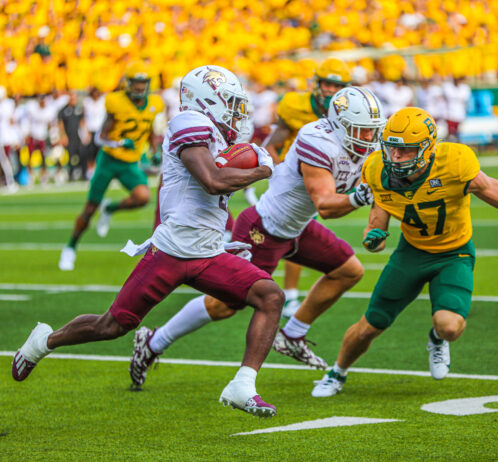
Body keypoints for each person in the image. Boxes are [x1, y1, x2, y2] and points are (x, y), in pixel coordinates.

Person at [12, 64, 282, 418]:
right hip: (171, 251)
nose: (236, 112)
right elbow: (212, 181)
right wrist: (261, 169)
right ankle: (43, 342)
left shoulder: (217, 135)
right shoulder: (189, 123)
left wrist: (255, 161)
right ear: (206, 101)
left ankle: (242, 385)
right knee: (112, 325)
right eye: (229, 103)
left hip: (209, 252)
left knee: (270, 297)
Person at [129, 86, 387, 387]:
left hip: (298, 227)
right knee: (224, 304)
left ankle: (292, 334)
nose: (368, 139)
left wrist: (376, 224)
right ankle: (153, 342)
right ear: (339, 124)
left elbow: (376, 193)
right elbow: (326, 205)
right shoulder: (318, 140)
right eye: (361, 130)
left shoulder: (368, 148)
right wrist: (359, 198)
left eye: (372, 131)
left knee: (348, 271)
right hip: (263, 228)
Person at [311, 107, 498, 398]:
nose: (396, 157)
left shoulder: (454, 162)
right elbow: (375, 231)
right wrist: (372, 240)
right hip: (411, 252)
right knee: (370, 325)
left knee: (449, 326)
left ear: (428, 148)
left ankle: (437, 338)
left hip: (454, 253)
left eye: (406, 150)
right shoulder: (377, 169)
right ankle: (336, 372)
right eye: (392, 149)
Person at [264, 58, 351, 318]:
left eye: (337, 86)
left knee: (292, 233)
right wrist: (278, 171)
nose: (331, 90)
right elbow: (271, 143)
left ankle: (283, 292)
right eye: (327, 84)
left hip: (320, 176)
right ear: (316, 84)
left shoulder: (348, 111)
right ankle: (284, 293)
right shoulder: (294, 105)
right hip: (294, 179)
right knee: (284, 232)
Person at [58, 61, 164, 271]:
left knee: (143, 197)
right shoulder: (116, 102)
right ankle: (70, 247)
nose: (140, 88)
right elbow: (99, 137)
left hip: (130, 163)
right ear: (128, 83)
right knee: (89, 209)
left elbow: (150, 128)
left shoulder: (154, 104)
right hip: (109, 160)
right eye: (137, 83)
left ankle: (110, 208)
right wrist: (118, 142)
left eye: (144, 83)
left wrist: (154, 150)